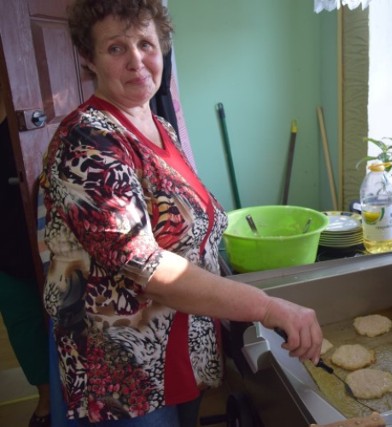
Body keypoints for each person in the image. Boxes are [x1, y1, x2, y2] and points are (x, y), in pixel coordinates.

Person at [38, 1, 323, 426]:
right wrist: (266, 307)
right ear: (89, 58)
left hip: (182, 352)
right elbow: (150, 268)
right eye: (116, 48)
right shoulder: (87, 142)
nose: (137, 61)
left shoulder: (158, 126)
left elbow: (191, 230)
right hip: (125, 373)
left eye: (145, 44)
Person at [0, 79, 51, 426]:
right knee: (23, 322)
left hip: (44, 236)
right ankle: (46, 403)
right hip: (5, 249)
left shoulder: (27, 98)